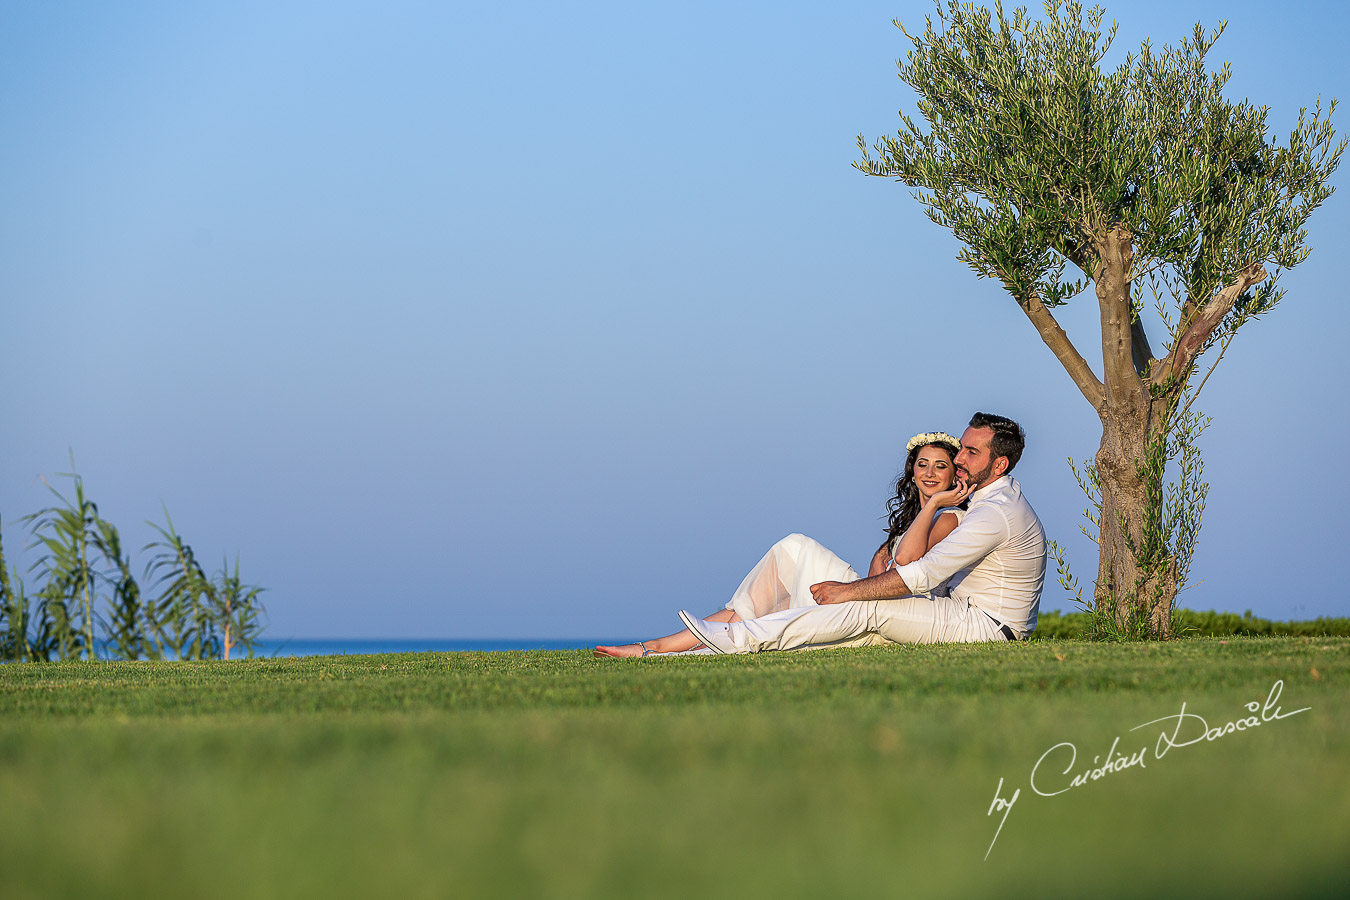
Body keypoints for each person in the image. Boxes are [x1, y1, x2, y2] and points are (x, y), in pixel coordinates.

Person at [677, 412, 1046, 653]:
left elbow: (921, 574)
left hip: (989, 629)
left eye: (970, 452)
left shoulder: (995, 513)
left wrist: (847, 591)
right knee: (856, 614)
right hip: (960, 612)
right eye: (962, 449)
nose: (960, 459)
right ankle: (713, 644)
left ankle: (739, 638)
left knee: (867, 610)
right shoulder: (989, 500)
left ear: (999, 464)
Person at [593, 430, 972, 658]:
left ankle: (666, 646)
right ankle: (670, 642)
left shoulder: (950, 518)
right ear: (912, 470)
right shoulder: (915, 518)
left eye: (941, 466)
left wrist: (938, 503)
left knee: (786, 574)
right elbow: (879, 573)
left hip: (898, 623)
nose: (930, 473)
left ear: (955, 473)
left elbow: (906, 562)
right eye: (923, 464)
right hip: (873, 602)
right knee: (793, 548)